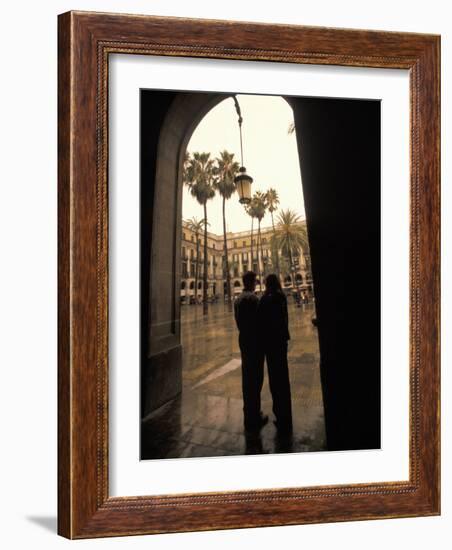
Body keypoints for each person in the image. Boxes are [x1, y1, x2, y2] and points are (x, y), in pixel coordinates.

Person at [258, 273, 293, 434]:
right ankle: (286, 415)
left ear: (267, 284)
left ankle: (280, 415)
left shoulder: (266, 299)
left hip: (270, 343)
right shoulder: (282, 297)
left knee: (275, 379)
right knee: (283, 378)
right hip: (281, 341)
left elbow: (261, 320)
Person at [234, 271, 268, 432]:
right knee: (256, 378)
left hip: (243, 339)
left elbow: (238, 320)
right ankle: (255, 415)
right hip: (255, 340)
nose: (256, 282)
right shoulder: (254, 299)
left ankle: (248, 414)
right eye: (255, 280)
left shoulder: (238, 300)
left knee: (247, 377)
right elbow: (261, 321)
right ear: (251, 282)